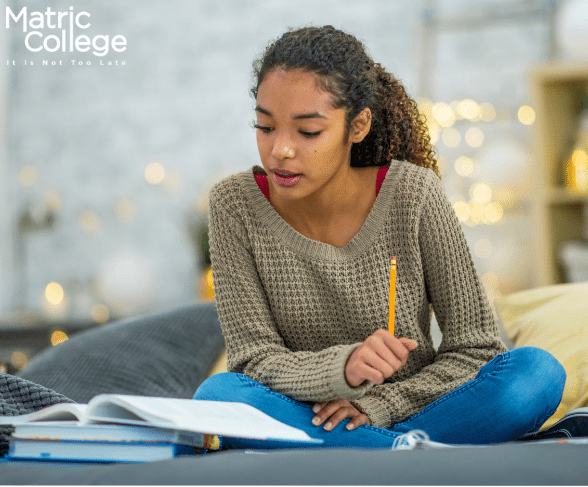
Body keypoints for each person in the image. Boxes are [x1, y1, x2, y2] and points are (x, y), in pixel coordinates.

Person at [194, 25, 566, 449]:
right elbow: (254, 361)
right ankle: (402, 454)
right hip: (305, 413)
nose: (281, 150)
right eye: (265, 127)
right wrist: (344, 368)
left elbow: (475, 349)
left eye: (308, 132)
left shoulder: (414, 194)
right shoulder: (234, 205)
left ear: (358, 125)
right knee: (220, 394)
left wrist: (381, 405)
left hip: (415, 411)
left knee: (537, 373)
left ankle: (377, 449)